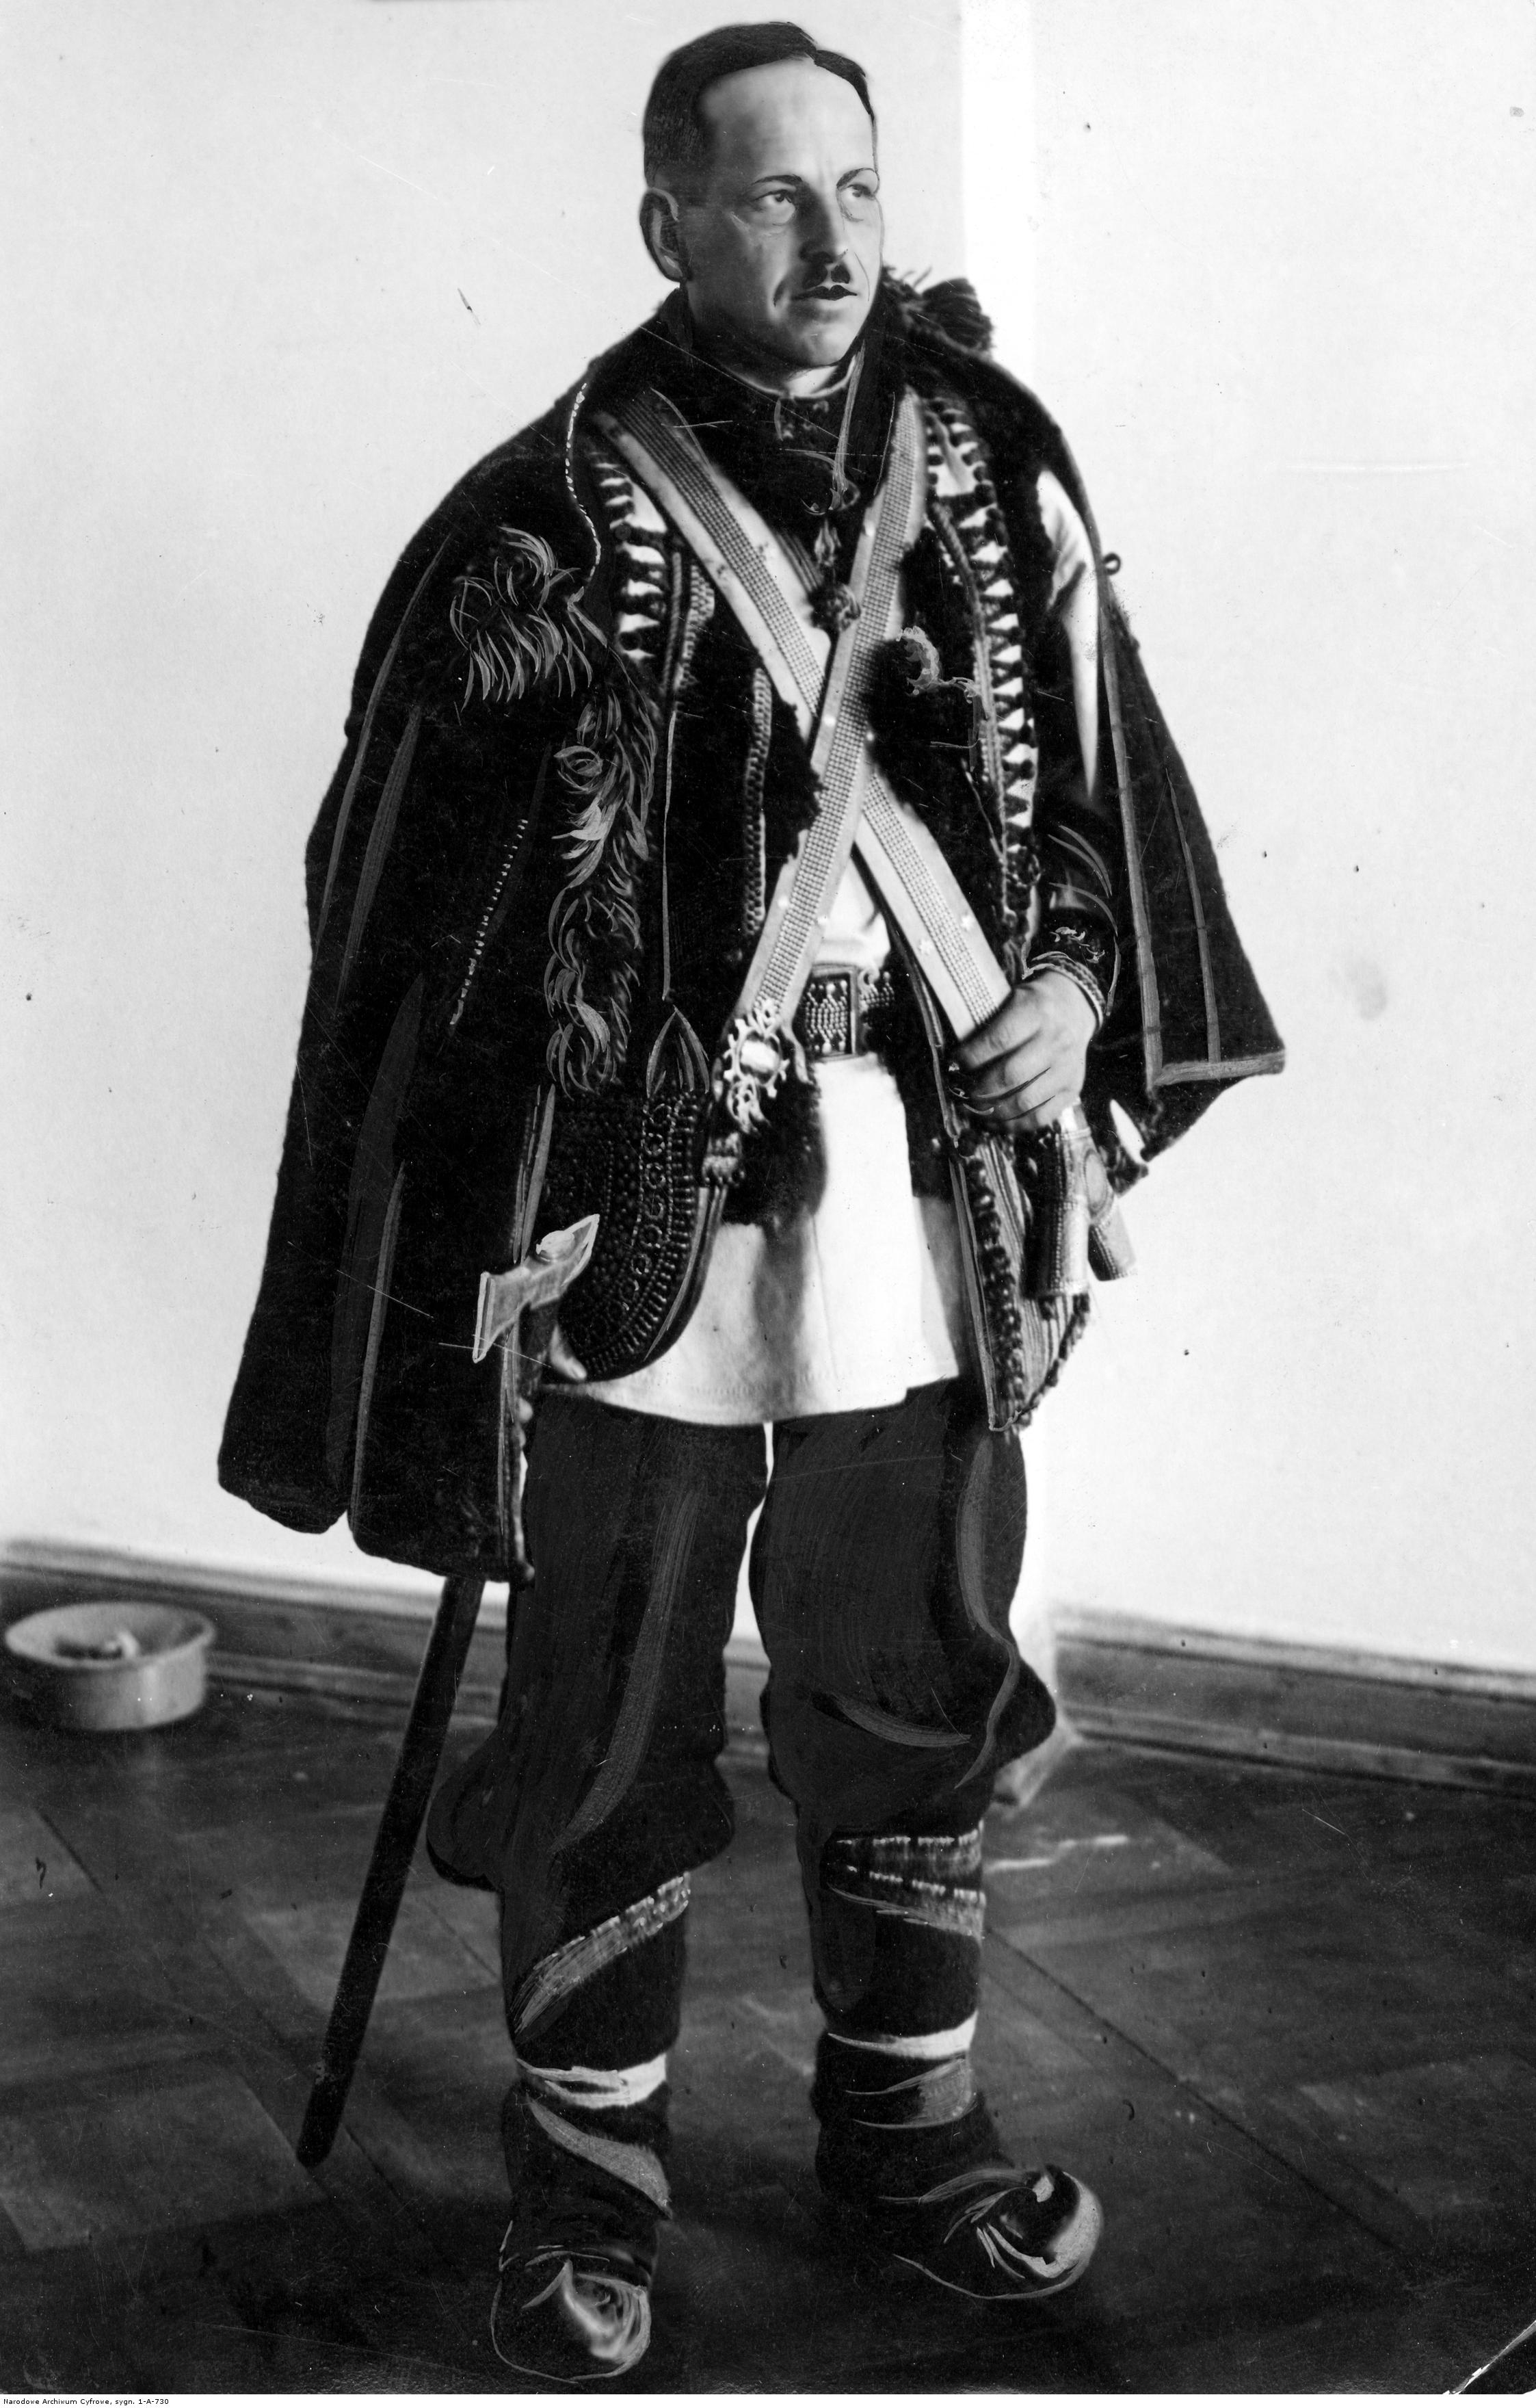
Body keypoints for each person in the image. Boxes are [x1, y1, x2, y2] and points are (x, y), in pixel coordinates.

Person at [221, 21, 1282, 2381]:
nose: (833, 243)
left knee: (912, 1660)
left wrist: (1073, 992)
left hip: (923, 1196)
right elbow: (389, 898)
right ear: (668, 223)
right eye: (776, 197)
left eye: (860, 192)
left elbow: (1103, 804)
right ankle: (587, 2183)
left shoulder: (993, 463)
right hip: (635, 1227)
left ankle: (910, 2142)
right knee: (606, 1693)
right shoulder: (541, 513)